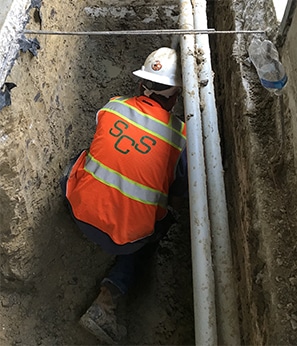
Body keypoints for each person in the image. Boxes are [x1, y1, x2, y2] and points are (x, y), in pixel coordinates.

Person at [60, 47, 188, 344]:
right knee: (163, 220)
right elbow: (178, 193)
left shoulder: (112, 107)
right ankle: (107, 301)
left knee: (84, 157)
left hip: (79, 210)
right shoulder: (180, 138)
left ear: (142, 85)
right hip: (126, 238)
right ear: (174, 97)